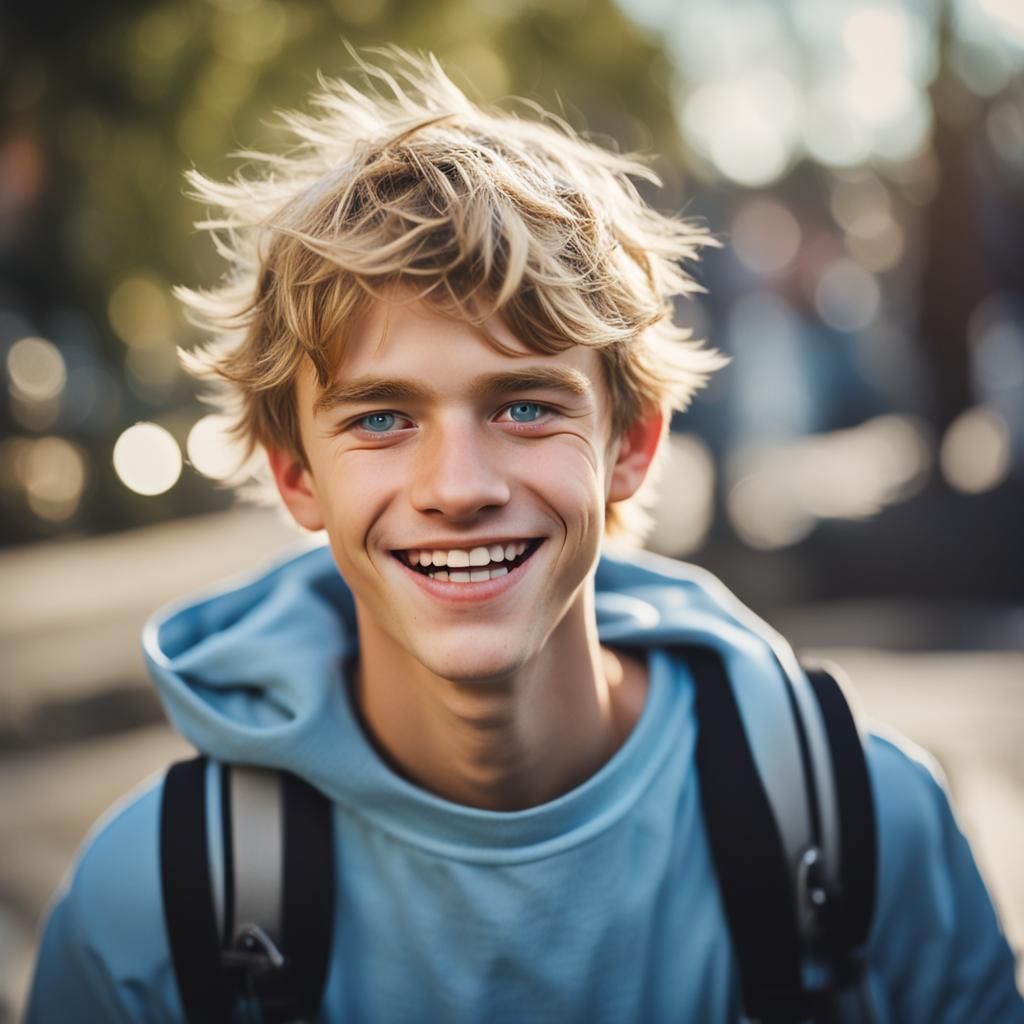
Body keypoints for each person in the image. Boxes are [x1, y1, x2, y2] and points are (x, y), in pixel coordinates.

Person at [26, 49, 1023, 1023]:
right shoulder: (152, 911)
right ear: (296, 475)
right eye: (380, 418)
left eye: (524, 406)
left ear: (630, 443)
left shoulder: (869, 829)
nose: (457, 489)